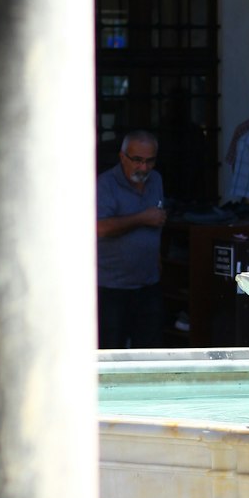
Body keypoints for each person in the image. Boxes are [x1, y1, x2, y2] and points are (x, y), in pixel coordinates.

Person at [96, 130, 168, 349]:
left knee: (149, 351)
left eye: (149, 161)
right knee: (111, 351)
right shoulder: (105, 184)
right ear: (122, 156)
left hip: (148, 283)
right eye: (137, 160)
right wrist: (142, 218)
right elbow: (100, 228)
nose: (143, 168)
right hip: (111, 287)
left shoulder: (155, 180)